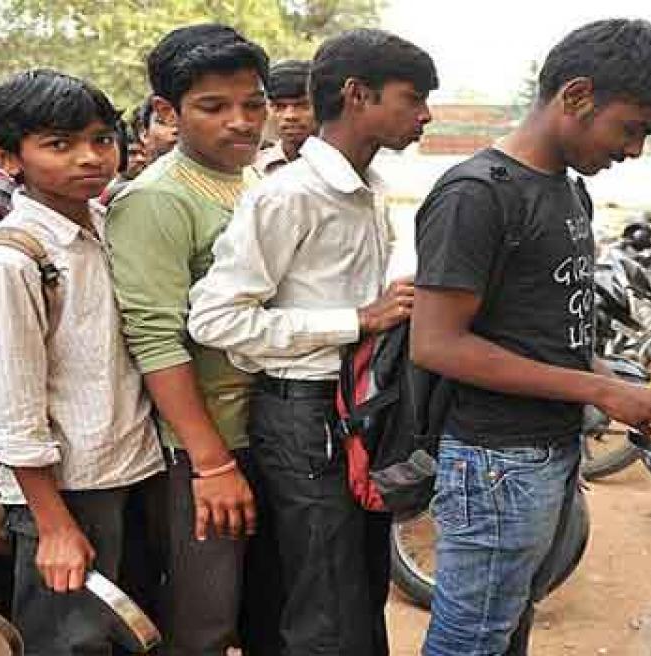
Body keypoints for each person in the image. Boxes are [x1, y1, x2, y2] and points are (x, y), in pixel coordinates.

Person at [411, 18, 651, 655]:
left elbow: (546, 333)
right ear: (576, 96)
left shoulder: (569, 194)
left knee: (508, 622)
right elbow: (437, 344)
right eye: (633, 129)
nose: (633, 151)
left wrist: (616, 382)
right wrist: (597, 387)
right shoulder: (476, 195)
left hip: (547, 448)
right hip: (494, 461)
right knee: (472, 637)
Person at [188, 29, 437, 655]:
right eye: (413, 98)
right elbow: (215, 320)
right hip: (306, 417)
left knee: (356, 590)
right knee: (325, 605)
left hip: (354, 414)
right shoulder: (290, 194)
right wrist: (356, 320)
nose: (426, 114)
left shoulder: (367, 188)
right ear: (357, 95)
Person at [106, 24, 279, 655]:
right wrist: (210, 463)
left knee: (256, 609)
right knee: (201, 620)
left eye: (253, 103)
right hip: (200, 448)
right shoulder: (157, 200)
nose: (241, 121)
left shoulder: (254, 183)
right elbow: (154, 339)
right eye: (213, 107)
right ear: (166, 112)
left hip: (265, 428)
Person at [0, 69, 166, 655]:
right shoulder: (16, 259)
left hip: (132, 470)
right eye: (59, 144)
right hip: (67, 492)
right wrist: (53, 524)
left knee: (123, 637)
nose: (89, 158)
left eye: (101, 139)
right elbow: (15, 409)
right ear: (8, 158)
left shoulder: (104, 225)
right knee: (68, 643)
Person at [253, 60, 316, 176]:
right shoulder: (254, 170)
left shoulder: (345, 166)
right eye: (279, 107)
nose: (290, 116)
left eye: (303, 105)